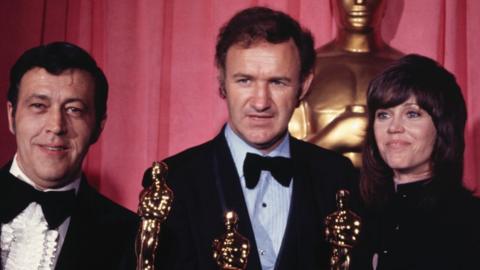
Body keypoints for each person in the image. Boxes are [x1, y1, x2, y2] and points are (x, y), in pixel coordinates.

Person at [144, 6, 357, 270]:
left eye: (278, 82)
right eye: (245, 80)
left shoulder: (337, 176)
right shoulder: (173, 182)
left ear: (303, 86)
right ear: (222, 81)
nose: (260, 102)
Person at [0, 42, 138, 269]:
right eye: (38, 106)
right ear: (11, 115)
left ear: (98, 126)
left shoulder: (131, 238)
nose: (56, 126)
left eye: (74, 109)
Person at [359, 54, 480, 269]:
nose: (394, 127)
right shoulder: (356, 212)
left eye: (412, 114)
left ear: (443, 127)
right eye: (384, 115)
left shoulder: (470, 221)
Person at [289, 0, 403, 168]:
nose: (359, 1)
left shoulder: (408, 72)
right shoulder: (306, 67)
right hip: (318, 190)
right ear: (331, 3)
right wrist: (334, 137)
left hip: (389, 191)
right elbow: (284, 159)